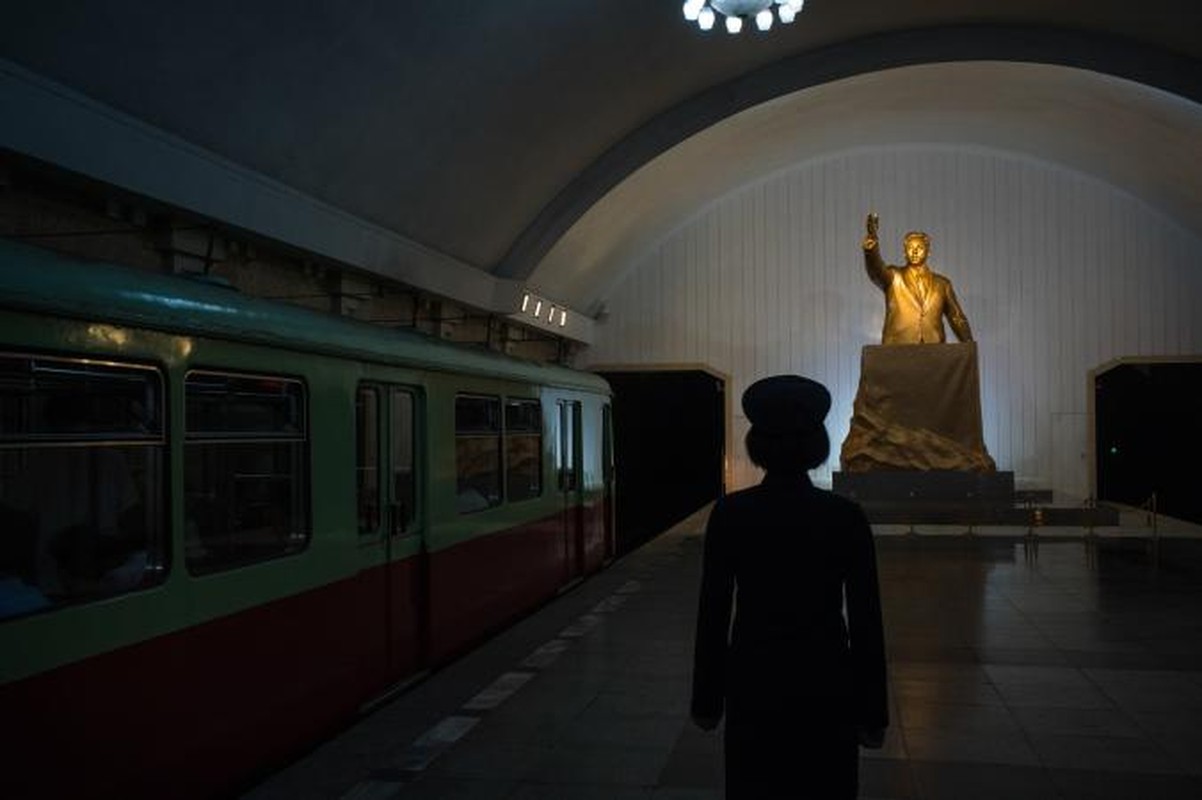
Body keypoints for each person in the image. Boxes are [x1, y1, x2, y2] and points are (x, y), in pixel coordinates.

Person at [691, 375, 888, 799]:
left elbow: (713, 613)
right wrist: (873, 713)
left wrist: (707, 701)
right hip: (826, 686)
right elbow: (867, 620)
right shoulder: (846, 517)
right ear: (817, 445)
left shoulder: (730, 515)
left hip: (754, 684)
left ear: (757, 446)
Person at [862, 212, 974, 345]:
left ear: (928, 251)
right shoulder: (893, 276)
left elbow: (956, 317)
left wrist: (968, 344)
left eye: (920, 248)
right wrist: (872, 246)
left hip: (934, 350)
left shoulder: (942, 284)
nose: (915, 251)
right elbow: (876, 270)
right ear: (904, 252)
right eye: (910, 248)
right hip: (898, 349)